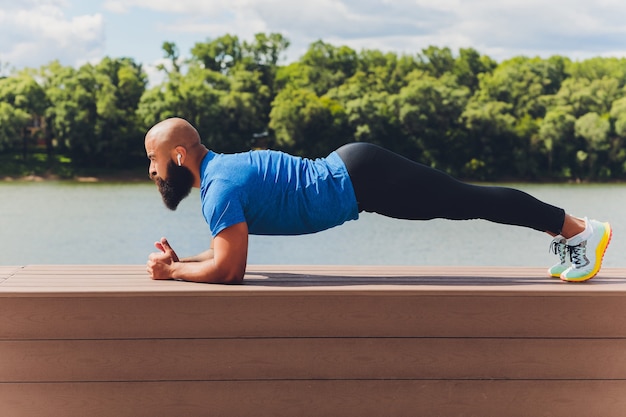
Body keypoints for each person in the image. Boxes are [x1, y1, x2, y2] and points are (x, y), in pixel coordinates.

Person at [145, 117, 612, 284]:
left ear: (179, 155)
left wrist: (172, 273)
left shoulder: (220, 187)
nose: (151, 170)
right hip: (358, 176)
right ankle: (570, 232)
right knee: (468, 201)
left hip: (361, 179)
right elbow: (224, 251)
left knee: (471, 200)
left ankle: (580, 231)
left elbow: (229, 271)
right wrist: (184, 262)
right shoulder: (221, 176)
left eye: (154, 159)